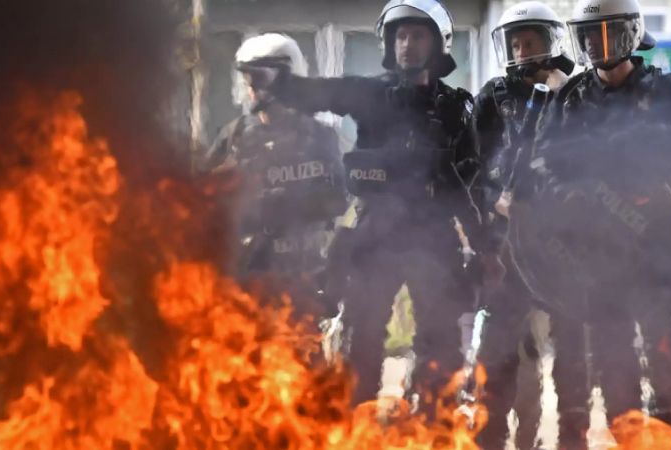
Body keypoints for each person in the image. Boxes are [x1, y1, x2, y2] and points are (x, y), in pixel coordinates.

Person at [243, 0, 503, 417]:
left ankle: (432, 427)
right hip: (374, 238)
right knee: (359, 341)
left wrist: (485, 247)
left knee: (438, 346)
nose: (407, 44)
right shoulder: (370, 94)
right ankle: (356, 425)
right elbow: (321, 91)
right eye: (400, 35)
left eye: (417, 35)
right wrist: (280, 81)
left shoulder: (456, 107)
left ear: (438, 43)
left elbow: (468, 183)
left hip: (433, 240)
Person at [510, 0, 671, 446]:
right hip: (597, 253)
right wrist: (567, 195)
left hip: (656, 245)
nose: (600, 46)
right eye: (590, 36)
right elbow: (543, 160)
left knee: (665, 349)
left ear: (631, 36)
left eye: (610, 34)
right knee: (611, 355)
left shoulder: (664, 90)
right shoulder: (571, 96)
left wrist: (638, 144)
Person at [472, 2, 574, 448]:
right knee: (498, 356)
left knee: (554, 359)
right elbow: (471, 165)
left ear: (550, 43)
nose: (521, 49)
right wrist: (494, 202)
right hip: (505, 243)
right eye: (514, 42)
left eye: (529, 41)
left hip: (556, 248)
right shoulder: (494, 97)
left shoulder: (573, 94)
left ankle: (533, 437)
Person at [199, 33, 348, 324]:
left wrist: (289, 203)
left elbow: (339, 200)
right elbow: (203, 202)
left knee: (306, 362)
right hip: (248, 278)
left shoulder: (319, 137)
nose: (252, 89)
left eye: (260, 78)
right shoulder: (235, 137)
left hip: (302, 277)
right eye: (248, 80)